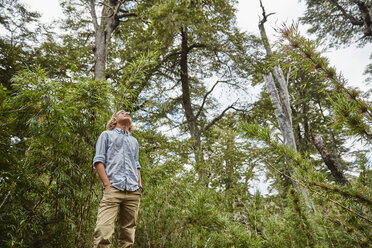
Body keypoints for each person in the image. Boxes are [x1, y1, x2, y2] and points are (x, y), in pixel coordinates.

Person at [92, 110, 143, 248]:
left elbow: (136, 165)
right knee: (103, 231)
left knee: (128, 235)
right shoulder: (106, 135)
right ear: (114, 121)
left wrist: (139, 186)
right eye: (121, 113)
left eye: (128, 113)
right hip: (113, 188)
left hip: (133, 191)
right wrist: (107, 185)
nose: (126, 113)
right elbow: (98, 161)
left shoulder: (134, 141)